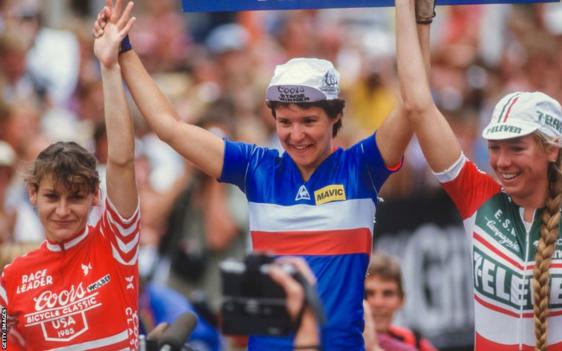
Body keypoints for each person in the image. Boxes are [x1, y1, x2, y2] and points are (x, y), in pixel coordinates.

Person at [92, 2, 414, 349]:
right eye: (284, 122)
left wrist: (415, 19)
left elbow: (414, 104)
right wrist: (123, 49)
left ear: (336, 118)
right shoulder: (257, 167)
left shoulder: (361, 166)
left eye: (309, 121)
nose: (296, 134)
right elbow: (169, 127)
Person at [395, 0, 562, 350]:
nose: (502, 162)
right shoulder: (477, 197)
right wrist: (414, 16)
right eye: (494, 147)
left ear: (551, 150)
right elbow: (418, 105)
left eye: (516, 148)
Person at [0, 1, 141, 350]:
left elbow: (121, 159)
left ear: (96, 196)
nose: (63, 210)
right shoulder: (10, 280)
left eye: (76, 196)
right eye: (52, 196)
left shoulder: (115, 245)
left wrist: (109, 66)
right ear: (32, 194)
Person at [365, 253, 437, 351]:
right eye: (369, 294)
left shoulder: (414, 340)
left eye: (387, 294)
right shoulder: (341, 340)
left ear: (402, 300)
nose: (378, 303)